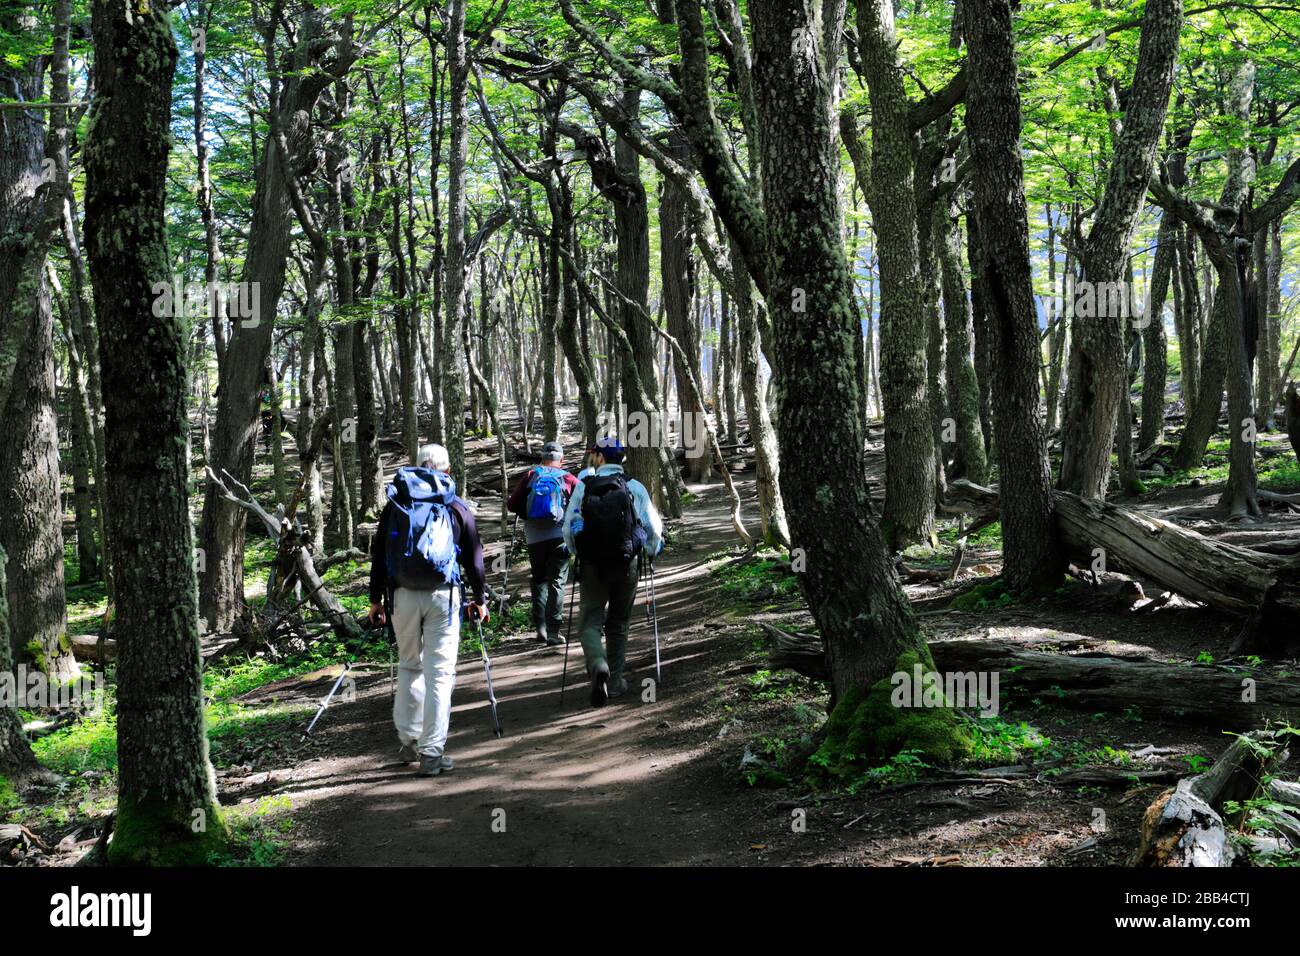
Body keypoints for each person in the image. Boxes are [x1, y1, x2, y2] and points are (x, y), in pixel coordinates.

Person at [368, 443, 489, 777]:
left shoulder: (396, 504)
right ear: (446, 470)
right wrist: (480, 598)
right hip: (443, 596)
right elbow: (475, 558)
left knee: (409, 666)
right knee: (440, 673)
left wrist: (375, 599)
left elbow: (380, 553)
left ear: (418, 466)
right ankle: (432, 752)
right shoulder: (454, 504)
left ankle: (408, 740)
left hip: (402, 595)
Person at [562, 435, 663, 707]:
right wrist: (652, 551)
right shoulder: (634, 487)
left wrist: (576, 552)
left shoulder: (584, 486)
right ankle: (615, 682)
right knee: (619, 622)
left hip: (593, 563)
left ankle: (597, 664)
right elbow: (653, 527)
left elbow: (569, 525)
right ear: (622, 459)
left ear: (600, 457)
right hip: (626, 561)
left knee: (590, 621)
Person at [506, 441, 578, 646]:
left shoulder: (531, 475)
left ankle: (541, 629)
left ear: (543, 458)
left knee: (539, 579)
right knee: (557, 581)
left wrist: (527, 513)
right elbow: (582, 503)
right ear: (561, 460)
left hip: (534, 538)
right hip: (560, 537)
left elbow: (512, 504)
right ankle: (554, 631)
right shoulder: (568, 478)